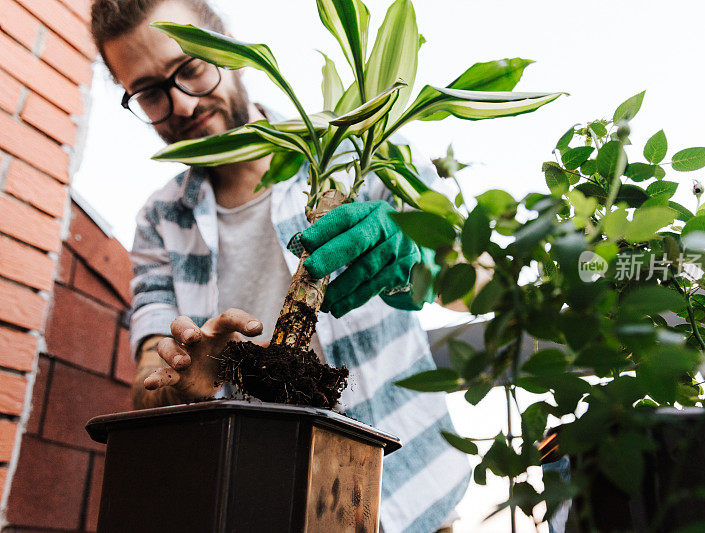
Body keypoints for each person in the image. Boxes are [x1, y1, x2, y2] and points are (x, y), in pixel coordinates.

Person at [89, 0, 471, 531]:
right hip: (265, 506)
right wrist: (189, 375)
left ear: (232, 50)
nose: (180, 103)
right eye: (150, 92)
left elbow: (479, 281)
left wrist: (420, 255)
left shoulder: (355, 145)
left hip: (413, 496)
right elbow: (147, 377)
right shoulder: (160, 220)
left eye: (191, 67)